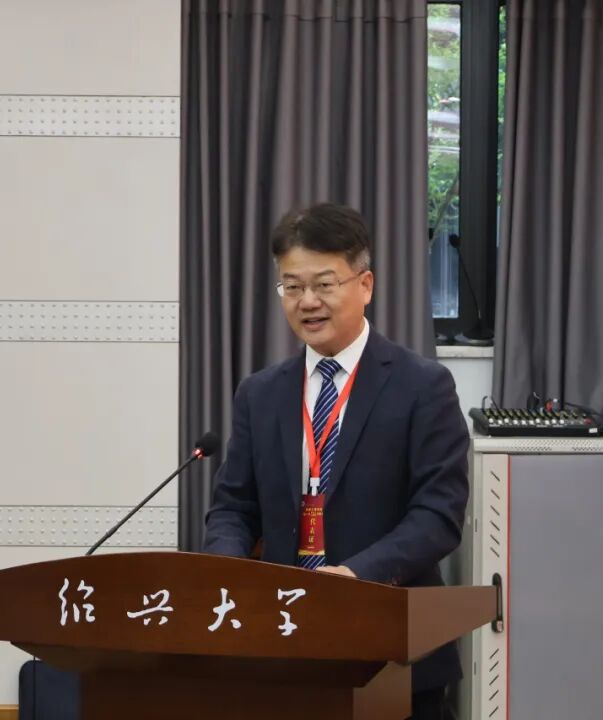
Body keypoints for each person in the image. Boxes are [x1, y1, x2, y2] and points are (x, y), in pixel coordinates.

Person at [203, 202, 471, 720]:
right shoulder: (260, 393)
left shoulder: (422, 386)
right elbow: (234, 507)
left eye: (324, 284)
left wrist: (356, 576)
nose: (307, 301)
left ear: (365, 285)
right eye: (292, 286)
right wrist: (229, 573)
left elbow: (438, 515)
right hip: (283, 649)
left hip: (392, 652)